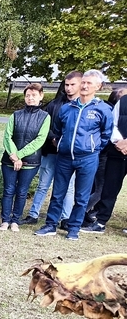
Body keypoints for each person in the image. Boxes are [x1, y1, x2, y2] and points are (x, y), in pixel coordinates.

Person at [36, 69, 114, 240]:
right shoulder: (67, 108)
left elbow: (106, 134)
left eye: (89, 83)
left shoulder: (103, 109)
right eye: (83, 82)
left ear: (98, 86)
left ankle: (73, 228)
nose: (85, 86)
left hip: (88, 159)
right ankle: (50, 225)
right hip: (64, 157)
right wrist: (61, 144)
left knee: (81, 196)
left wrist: (92, 148)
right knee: (57, 193)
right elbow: (57, 129)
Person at [22, 72, 81, 224]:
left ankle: (65, 218)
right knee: (43, 184)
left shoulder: (84, 106)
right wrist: (54, 138)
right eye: (66, 85)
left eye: (72, 85)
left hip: (70, 154)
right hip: (51, 151)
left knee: (68, 188)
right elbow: (44, 125)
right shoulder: (55, 104)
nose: (68, 88)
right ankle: (33, 215)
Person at [0, 84, 50, 231]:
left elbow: (40, 140)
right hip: (9, 160)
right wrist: (14, 156)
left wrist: (20, 155)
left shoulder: (45, 117)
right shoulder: (16, 115)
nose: (30, 98)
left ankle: (15, 220)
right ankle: (5, 220)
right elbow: (7, 136)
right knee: (8, 190)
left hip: (31, 161)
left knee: (22, 191)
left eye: (34, 95)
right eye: (28, 95)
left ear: (41, 96)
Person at [82, 90, 127, 235]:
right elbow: (112, 124)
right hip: (118, 152)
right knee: (109, 189)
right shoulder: (123, 101)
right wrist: (119, 142)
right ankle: (100, 222)